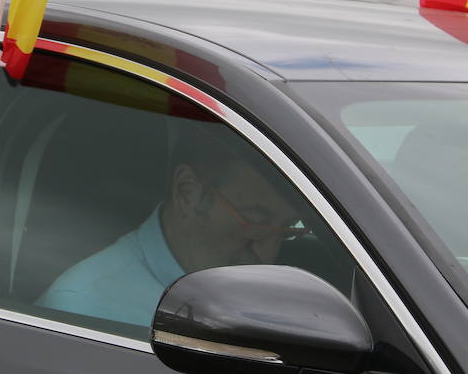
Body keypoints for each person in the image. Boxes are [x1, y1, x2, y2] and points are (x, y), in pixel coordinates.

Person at [38, 131, 304, 328]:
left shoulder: (262, 289)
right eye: (254, 221)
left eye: (286, 229)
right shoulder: (84, 306)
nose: (270, 253)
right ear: (187, 192)